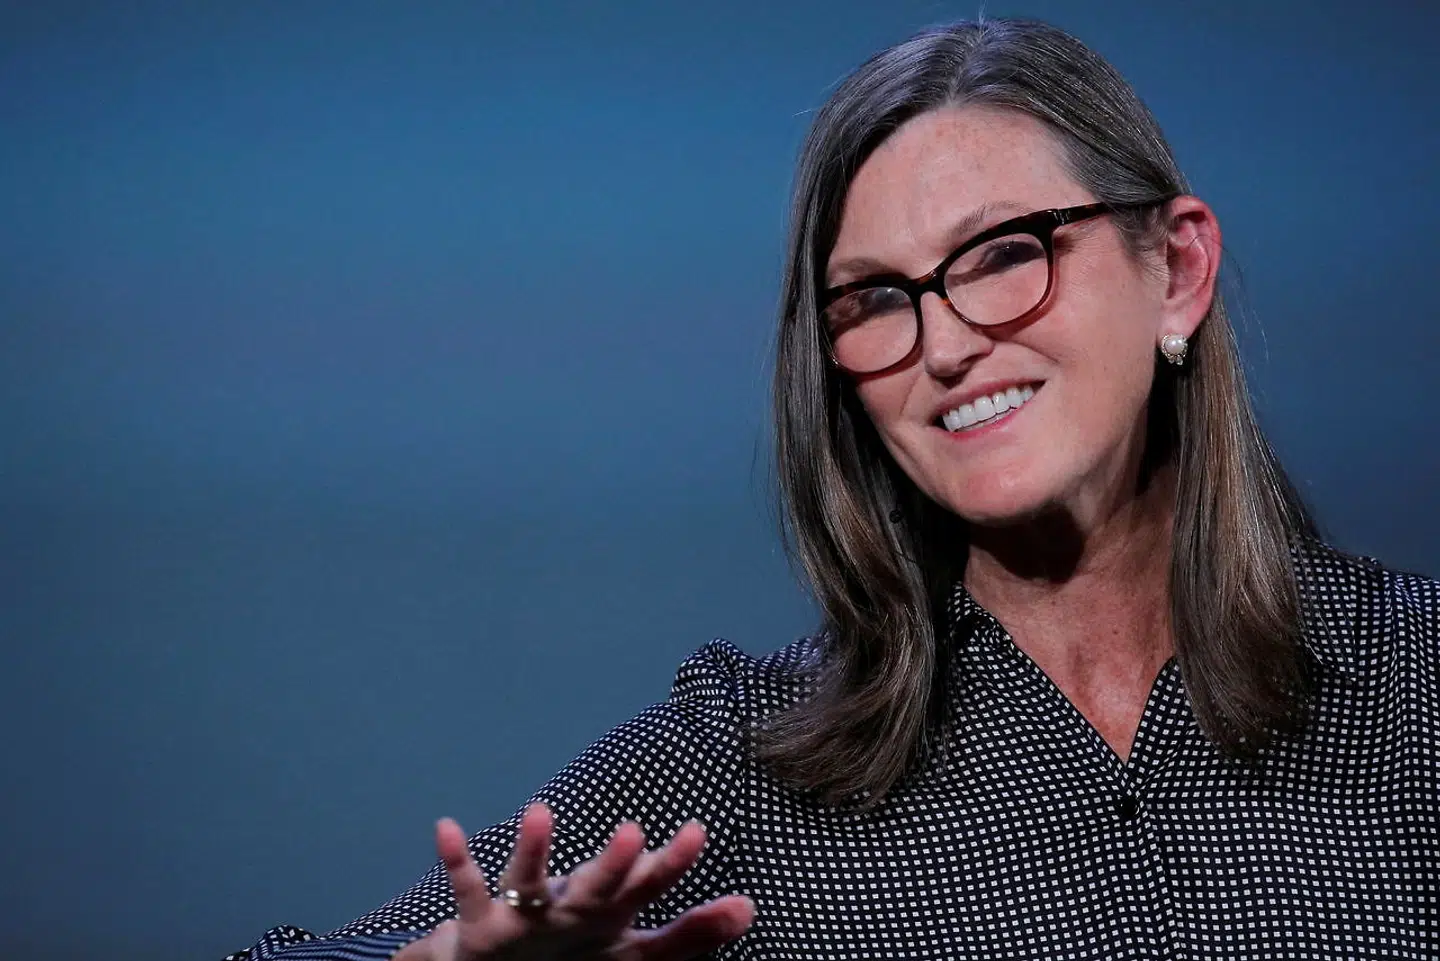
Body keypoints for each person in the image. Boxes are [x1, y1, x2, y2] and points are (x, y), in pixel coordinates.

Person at [226, 17, 1437, 961]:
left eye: (1005, 253)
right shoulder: (752, 765)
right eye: (877, 301)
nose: (948, 341)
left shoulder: (1414, 683)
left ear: (1175, 270)